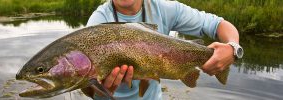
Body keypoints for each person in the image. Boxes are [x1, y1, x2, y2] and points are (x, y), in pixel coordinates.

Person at [85, 0, 243, 99]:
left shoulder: (164, 7)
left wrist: (233, 47)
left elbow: (217, 25)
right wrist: (103, 92)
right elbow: (90, 90)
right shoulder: (98, 23)